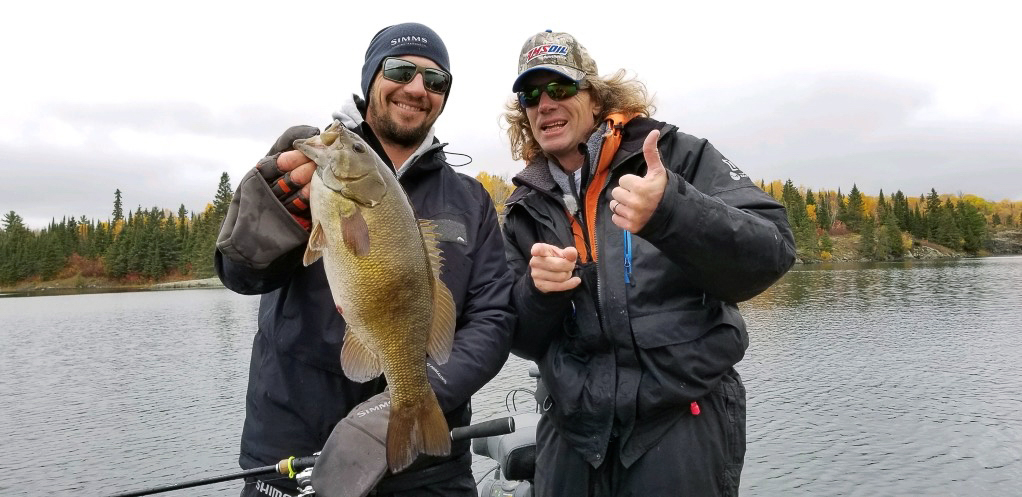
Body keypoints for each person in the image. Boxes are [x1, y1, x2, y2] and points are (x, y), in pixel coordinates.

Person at [215, 22, 514, 497]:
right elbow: (240, 277)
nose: (417, 89)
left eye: (436, 81)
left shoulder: (471, 200)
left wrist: (419, 393)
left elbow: (495, 317)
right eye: (401, 70)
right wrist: (263, 227)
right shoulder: (310, 171)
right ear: (372, 76)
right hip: (295, 453)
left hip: (428, 466)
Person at [500, 30, 797, 496]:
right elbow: (519, 336)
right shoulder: (523, 205)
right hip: (573, 431)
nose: (545, 104)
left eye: (559, 88)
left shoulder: (675, 154)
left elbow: (772, 252)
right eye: (531, 95)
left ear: (595, 97)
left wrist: (673, 212)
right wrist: (538, 295)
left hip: (681, 418)